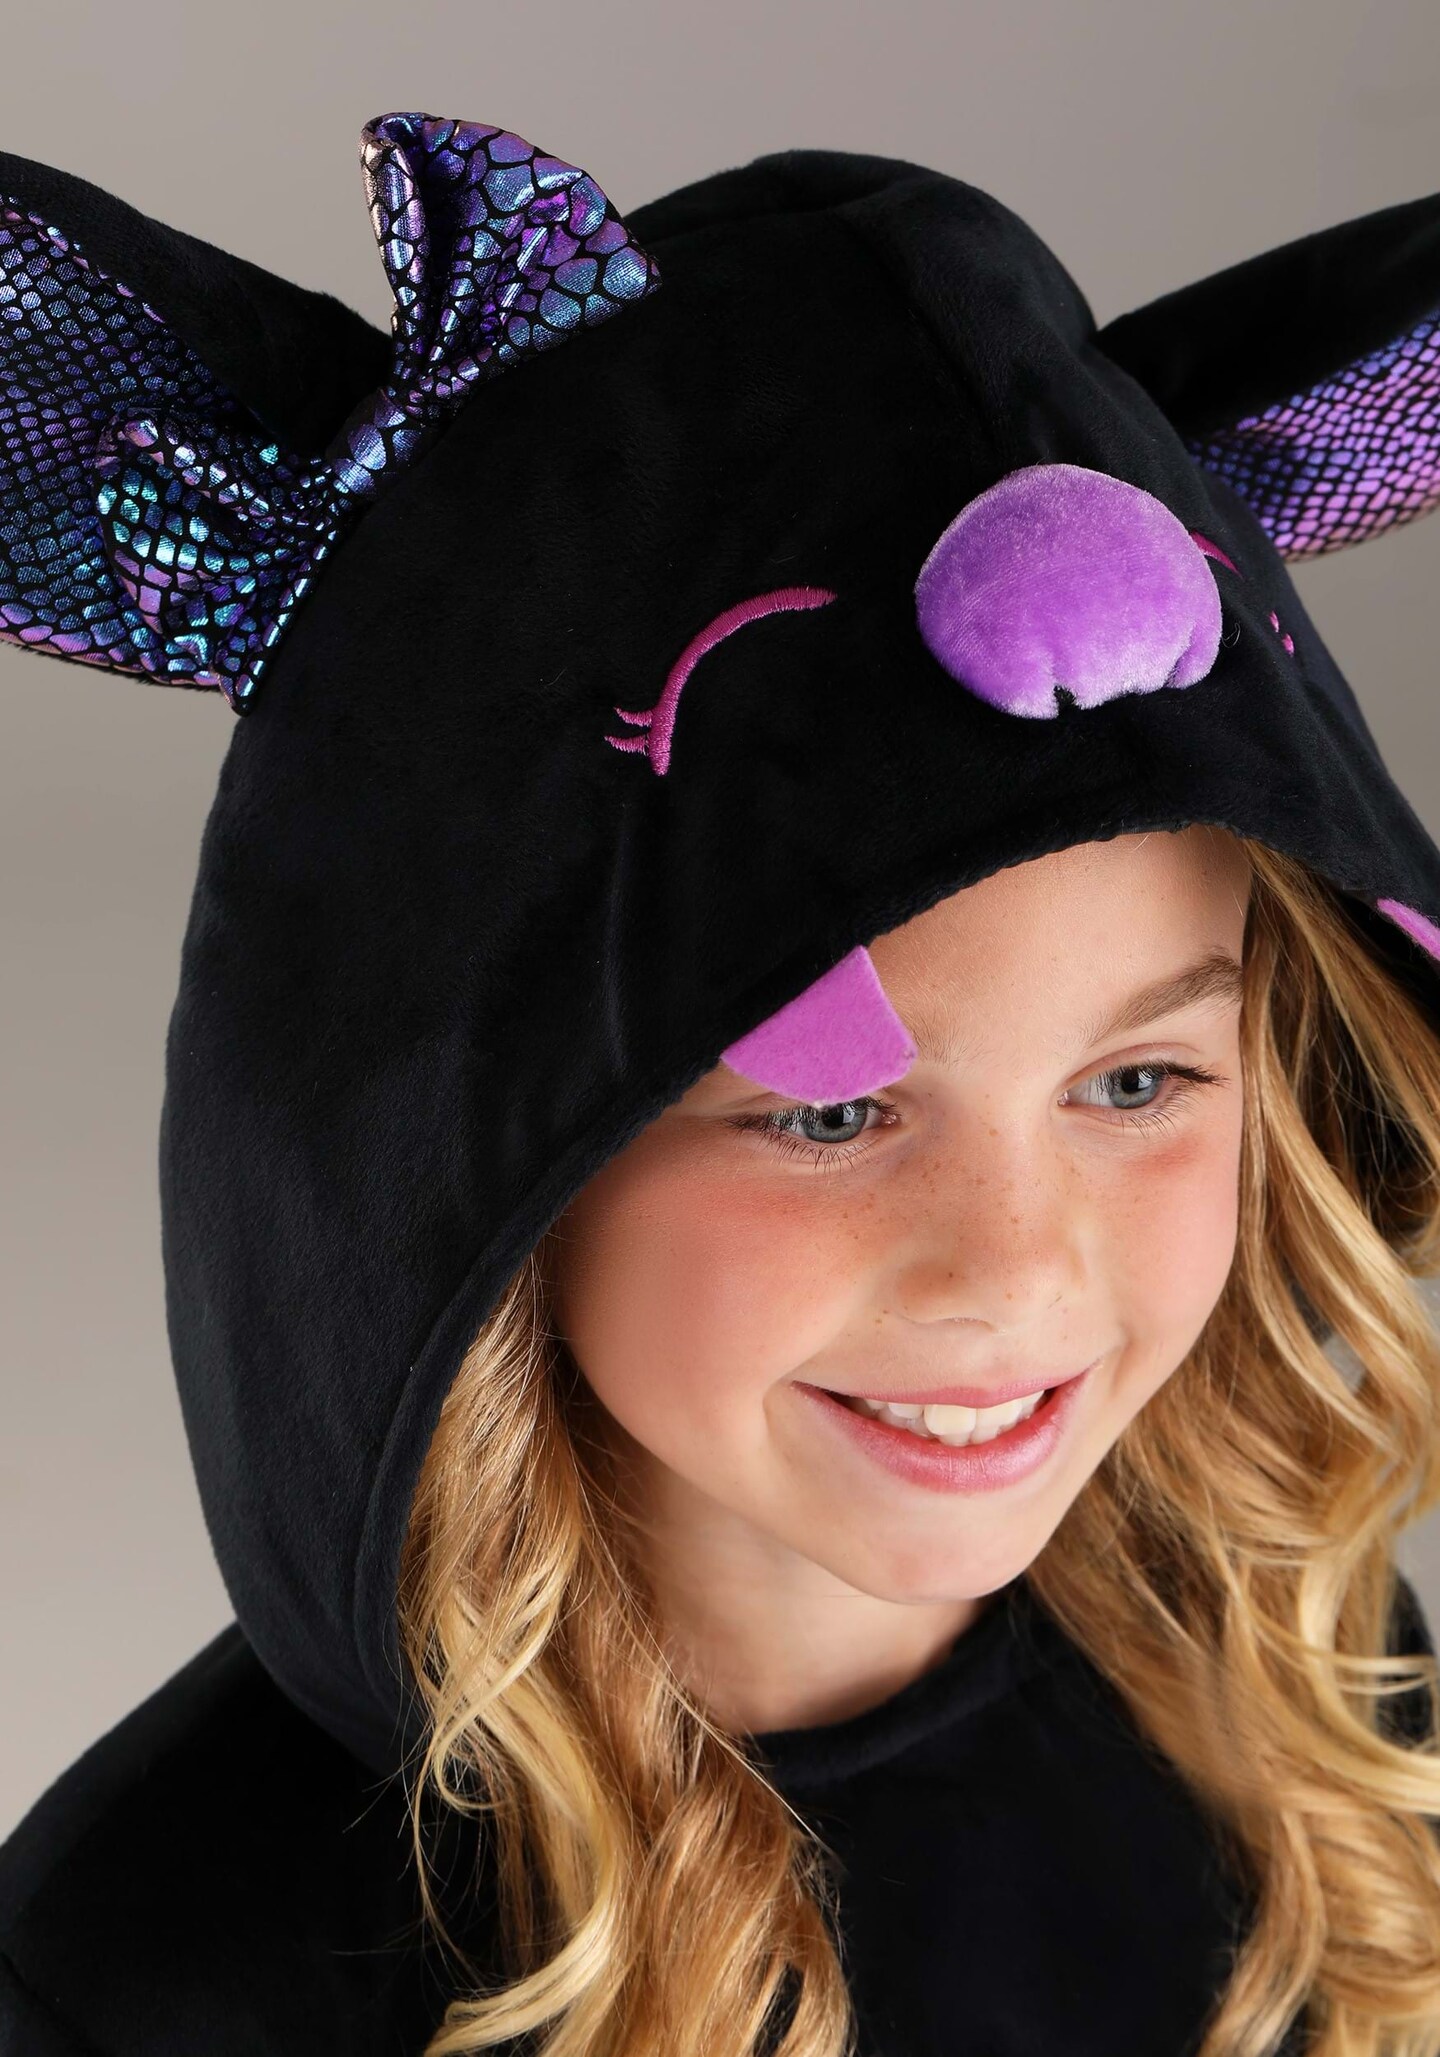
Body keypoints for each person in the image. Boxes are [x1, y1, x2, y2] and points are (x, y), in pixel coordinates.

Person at [1, 107, 1439, 2057]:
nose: (1018, 1270)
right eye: (832, 1113)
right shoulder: (163, 1974)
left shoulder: (1300, 1694)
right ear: (493, 1154)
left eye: (1136, 1083)